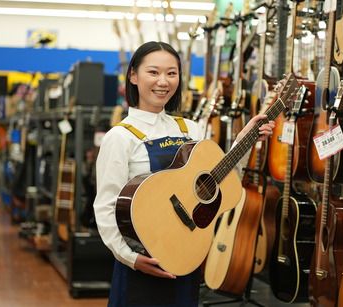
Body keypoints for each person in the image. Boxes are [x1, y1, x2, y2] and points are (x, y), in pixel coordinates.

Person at [93, 41, 275, 307]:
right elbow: (106, 207)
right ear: (133, 75)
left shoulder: (189, 129)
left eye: (171, 73)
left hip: (187, 258)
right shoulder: (120, 137)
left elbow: (216, 179)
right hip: (142, 263)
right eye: (153, 72)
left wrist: (243, 141)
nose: (163, 81)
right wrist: (129, 257)